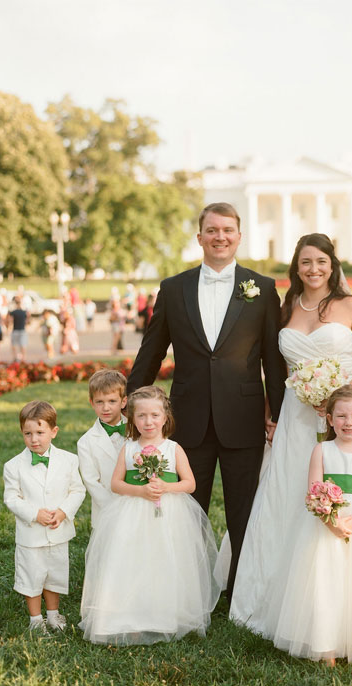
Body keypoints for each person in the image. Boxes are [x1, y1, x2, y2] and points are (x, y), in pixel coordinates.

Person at [127, 202, 285, 599]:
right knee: (185, 509)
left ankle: (240, 590)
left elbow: (273, 359)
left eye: (227, 230)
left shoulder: (262, 289)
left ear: (239, 236)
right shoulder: (173, 288)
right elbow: (151, 353)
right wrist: (130, 409)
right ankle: (187, 589)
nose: (220, 237)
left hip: (243, 418)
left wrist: (278, 416)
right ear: (199, 237)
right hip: (186, 419)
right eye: (212, 230)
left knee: (243, 510)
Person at [229, 232, 352, 630]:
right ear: (296, 268)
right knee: (287, 491)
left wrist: (340, 397)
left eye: (321, 262)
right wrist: (271, 411)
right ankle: (276, 595)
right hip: (296, 419)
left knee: (339, 490)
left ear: (332, 265)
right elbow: (276, 371)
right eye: (305, 263)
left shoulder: (350, 306)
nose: (313, 269)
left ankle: (337, 594)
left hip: (342, 418)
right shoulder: (285, 309)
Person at [262, 386, 352, 667]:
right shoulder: (322, 450)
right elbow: (313, 490)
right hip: (325, 527)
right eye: (341, 416)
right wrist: (331, 522)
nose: (348, 422)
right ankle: (326, 646)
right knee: (326, 582)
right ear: (329, 419)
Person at [79, 386, 220, 645]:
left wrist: (167, 487)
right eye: (141, 416)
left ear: (165, 417)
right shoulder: (128, 448)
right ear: (132, 418)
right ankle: (129, 616)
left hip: (169, 514)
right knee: (133, 561)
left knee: (165, 558)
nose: (148, 421)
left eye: (155, 415)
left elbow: (190, 484)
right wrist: (140, 490)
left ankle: (166, 615)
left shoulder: (173, 448)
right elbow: (116, 484)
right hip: (132, 512)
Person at [3, 401, 86, 633]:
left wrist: (63, 512)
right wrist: (34, 514)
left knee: (55, 574)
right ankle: (35, 619)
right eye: (27, 434)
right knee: (32, 577)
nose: (34, 439)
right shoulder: (13, 466)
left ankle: (53, 613)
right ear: (22, 433)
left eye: (40, 432)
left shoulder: (69, 460)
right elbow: (11, 498)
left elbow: (77, 490)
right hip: (31, 536)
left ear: (54, 432)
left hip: (58, 532)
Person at [77, 370, 129, 529]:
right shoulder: (86, 442)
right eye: (100, 402)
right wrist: (111, 508)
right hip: (106, 508)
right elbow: (91, 481)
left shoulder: (139, 431)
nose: (106, 407)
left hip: (138, 501)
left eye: (112, 401)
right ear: (91, 403)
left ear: (123, 401)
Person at [6, 296, 28, 362]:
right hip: (22, 330)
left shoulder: (13, 312)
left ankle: (15, 357)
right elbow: (27, 321)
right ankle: (23, 358)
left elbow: (9, 320)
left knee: (14, 345)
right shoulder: (24, 312)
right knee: (23, 345)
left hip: (15, 330)